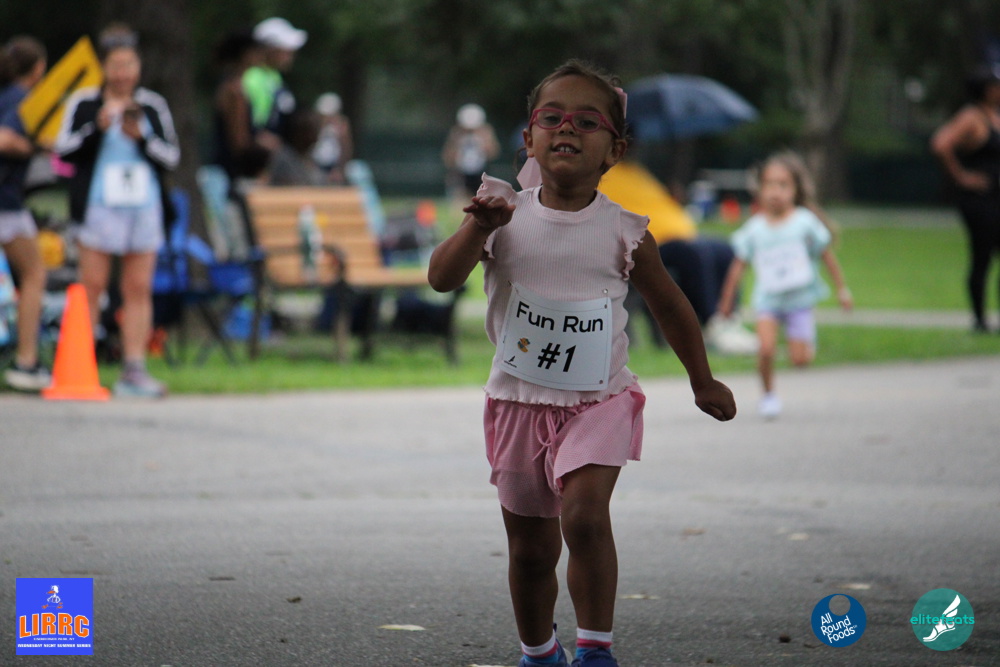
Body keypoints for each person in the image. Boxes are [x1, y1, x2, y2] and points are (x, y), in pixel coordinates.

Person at [428, 59, 736, 667]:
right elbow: (441, 278)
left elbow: (671, 306)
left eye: (588, 121)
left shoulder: (626, 231)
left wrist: (702, 381)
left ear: (615, 150)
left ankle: (596, 650)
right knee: (531, 550)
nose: (567, 127)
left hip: (600, 401)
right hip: (518, 403)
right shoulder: (502, 215)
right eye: (552, 118)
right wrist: (476, 229)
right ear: (529, 139)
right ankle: (539, 651)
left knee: (586, 519)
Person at [54, 25, 180, 397]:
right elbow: (63, 151)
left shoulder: (151, 105)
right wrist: (97, 128)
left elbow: (171, 156)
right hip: (99, 206)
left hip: (142, 205)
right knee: (92, 285)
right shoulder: (85, 102)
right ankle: (83, 363)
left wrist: (142, 138)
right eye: (116, 65)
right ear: (104, 67)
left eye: (129, 65)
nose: (123, 73)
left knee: (138, 287)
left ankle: (134, 368)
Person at [717, 151, 852, 419]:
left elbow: (826, 256)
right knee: (765, 349)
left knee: (800, 361)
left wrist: (842, 289)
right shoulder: (755, 228)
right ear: (760, 189)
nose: (775, 192)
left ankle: (804, 344)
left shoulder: (804, 222)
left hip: (799, 301)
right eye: (769, 184)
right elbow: (738, 267)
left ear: (795, 189)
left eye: (783, 185)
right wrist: (727, 301)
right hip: (768, 300)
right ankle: (768, 395)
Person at [930, 64, 1000, 333]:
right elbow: (940, 143)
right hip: (980, 200)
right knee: (982, 256)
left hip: (997, 196)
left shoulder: (995, 116)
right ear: (986, 90)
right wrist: (962, 177)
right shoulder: (972, 116)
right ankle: (980, 320)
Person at [0, 35, 51, 391]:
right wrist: (30, 147)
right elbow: (4, 138)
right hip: (6, 204)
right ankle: (26, 361)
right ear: (39, 69)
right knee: (34, 274)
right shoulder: (23, 99)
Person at [209, 28, 271, 182]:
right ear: (245, 53)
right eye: (257, 50)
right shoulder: (234, 90)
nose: (261, 55)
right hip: (233, 173)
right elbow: (239, 142)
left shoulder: (230, 84)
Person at [243, 17, 307, 145]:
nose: (291, 55)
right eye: (286, 50)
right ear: (270, 49)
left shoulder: (274, 76)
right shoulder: (252, 78)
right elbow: (254, 128)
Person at [441, 103, 500, 200]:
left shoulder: (485, 133)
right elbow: (447, 157)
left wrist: (484, 139)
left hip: (481, 173)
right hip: (461, 173)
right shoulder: (456, 134)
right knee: (461, 201)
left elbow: (493, 153)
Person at [311, 92, 353, 184]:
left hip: (334, 168)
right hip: (316, 168)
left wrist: (339, 169)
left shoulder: (341, 128)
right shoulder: (316, 126)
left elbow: (346, 150)